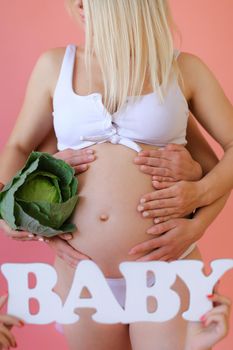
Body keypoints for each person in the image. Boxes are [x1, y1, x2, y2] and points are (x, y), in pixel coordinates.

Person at [0, 0, 233, 349]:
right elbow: (18, 145)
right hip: (81, 271)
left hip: (165, 262)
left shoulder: (183, 69)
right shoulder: (55, 66)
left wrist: (198, 208)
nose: (78, 4)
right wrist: (7, 208)